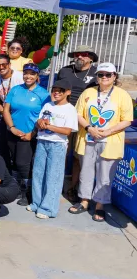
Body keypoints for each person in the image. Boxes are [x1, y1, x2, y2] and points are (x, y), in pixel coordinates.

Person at [70, 62, 133, 222]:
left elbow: (127, 120)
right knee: (86, 171)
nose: (104, 77)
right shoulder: (88, 93)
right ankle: (84, 201)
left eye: (108, 74)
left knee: (105, 175)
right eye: (101, 74)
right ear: (96, 77)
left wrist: (108, 131)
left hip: (109, 140)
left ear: (114, 76)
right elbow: (78, 114)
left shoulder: (122, 95)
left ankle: (100, 205)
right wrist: (90, 128)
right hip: (89, 138)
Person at [28, 79, 78, 219]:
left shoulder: (70, 109)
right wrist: (40, 123)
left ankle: (48, 208)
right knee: (38, 174)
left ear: (68, 92)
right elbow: (39, 121)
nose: (56, 93)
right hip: (42, 142)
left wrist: (49, 126)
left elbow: (67, 131)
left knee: (53, 176)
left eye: (60, 90)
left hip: (57, 145)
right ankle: (36, 203)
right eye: (54, 90)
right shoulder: (48, 105)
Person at [2, 63, 50, 206]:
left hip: (28, 134)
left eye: (32, 74)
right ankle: (15, 188)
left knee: (23, 164)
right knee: (13, 162)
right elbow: (6, 110)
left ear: (37, 76)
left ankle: (27, 192)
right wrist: (11, 128)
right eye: (26, 73)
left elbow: (46, 117)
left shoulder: (43, 94)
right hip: (12, 132)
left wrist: (32, 133)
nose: (28, 76)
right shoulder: (16, 90)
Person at [57, 44, 99, 200]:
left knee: (78, 157)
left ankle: (73, 188)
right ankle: (56, 184)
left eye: (84, 54)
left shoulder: (97, 73)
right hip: (63, 117)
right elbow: (56, 91)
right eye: (77, 54)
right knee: (60, 153)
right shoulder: (65, 71)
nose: (80, 56)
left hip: (84, 120)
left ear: (91, 58)